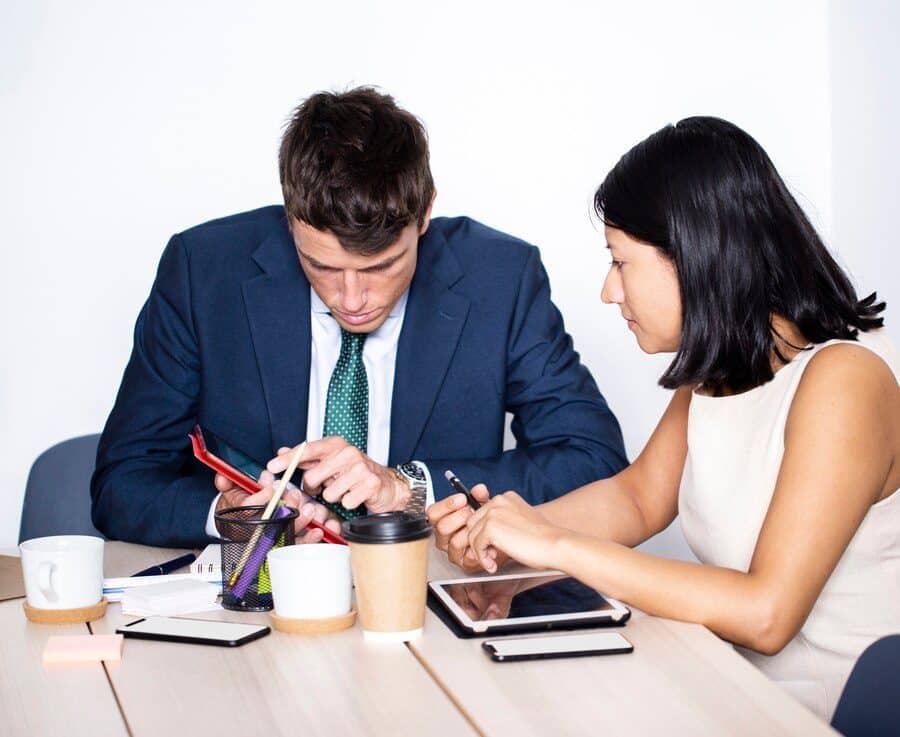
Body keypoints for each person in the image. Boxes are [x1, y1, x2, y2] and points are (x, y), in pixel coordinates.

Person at [427, 117, 899, 720]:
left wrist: (551, 545)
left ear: (695, 256)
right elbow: (638, 499)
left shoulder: (845, 380)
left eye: (620, 262)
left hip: (827, 717)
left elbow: (767, 614)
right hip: (733, 693)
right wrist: (504, 540)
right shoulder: (726, 367)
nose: (607, 290)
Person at [90, 87, 628, 548]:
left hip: (424, 602)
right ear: (289, 219)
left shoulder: (500, 280)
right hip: (258, 597)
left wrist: (407, 488)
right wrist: (231, 518)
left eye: (381, 266)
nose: (350, 298)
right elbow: (122, 483)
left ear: (425, 213)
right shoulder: (203, 272)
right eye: (320, 265)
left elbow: (594, 462)